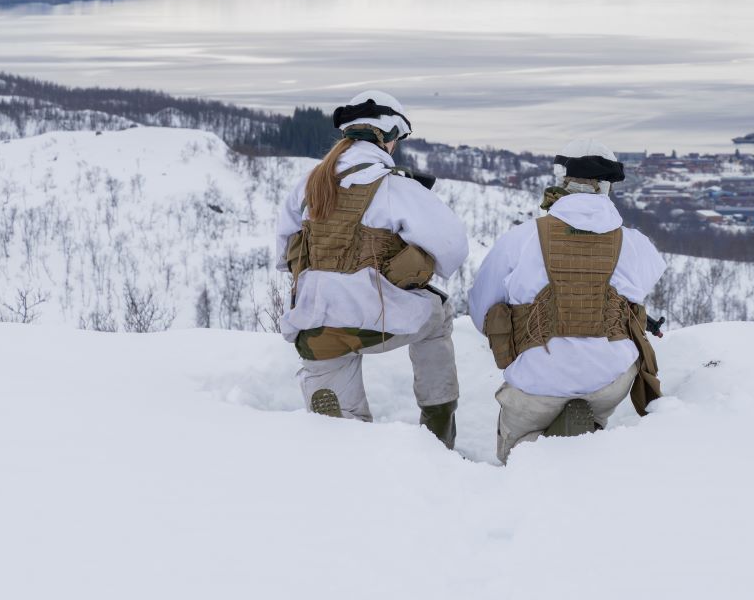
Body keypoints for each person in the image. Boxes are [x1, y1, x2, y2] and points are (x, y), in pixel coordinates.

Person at [274, 89, 468, 448]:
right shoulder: (396, 187)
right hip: (377, 323)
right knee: (438, 316)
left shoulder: (306, 185)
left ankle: (339, 422)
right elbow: (453, 252)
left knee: (337, 402)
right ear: (389, 137)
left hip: (315, 325)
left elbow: (284, 254)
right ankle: (438, 426)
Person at [469, 138, 666, 463]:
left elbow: (481, 311)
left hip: (536, 384)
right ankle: (587, 447)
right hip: (609, 381)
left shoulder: (521, 238)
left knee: (520, 452)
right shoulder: (635, 244)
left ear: (565, 182)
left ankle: (525, 461)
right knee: (591, 428)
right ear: (606, 187)